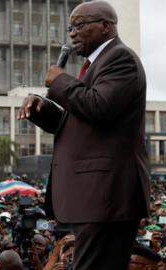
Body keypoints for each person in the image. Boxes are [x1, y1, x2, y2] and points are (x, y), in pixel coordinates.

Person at [17, 0, 149, 268]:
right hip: (97, 199)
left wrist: (61, 81)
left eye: (79, 25)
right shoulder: (95, 65)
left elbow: (100, 107)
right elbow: (80, 121)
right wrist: (43, 108)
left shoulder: (120, 59)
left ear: (105, 26)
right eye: (70, 28)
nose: (72, 33)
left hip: (107, 197)